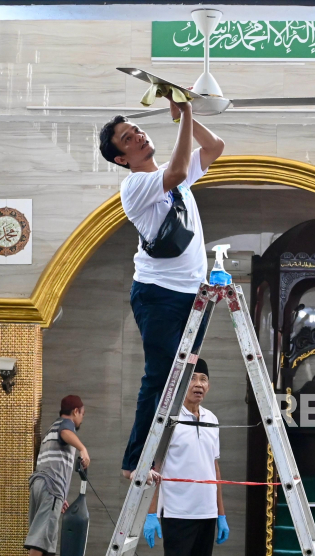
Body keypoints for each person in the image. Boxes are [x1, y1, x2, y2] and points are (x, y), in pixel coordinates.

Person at [98, 96, 225, 479]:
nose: (137, 136)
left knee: (181, 374)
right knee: (160, 375)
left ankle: (153, 456)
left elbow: (214, 148)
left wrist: (183, 119)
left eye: (135, 130)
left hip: (194, 296)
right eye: (126, 139)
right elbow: (177, 169)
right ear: (122, 158)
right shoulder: (136, 185)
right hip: (159, 295)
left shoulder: (177, 178)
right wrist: (185, 113)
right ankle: (134, 462)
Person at [142, 359, 229, 556]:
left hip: (208, 514)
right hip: (177, 514)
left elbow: (214, 468)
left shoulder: (212, 419)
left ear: (208, 386)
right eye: (192, 379)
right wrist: (151, 513)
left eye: (204, 379)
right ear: (182, 384)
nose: (199, 384)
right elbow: (155, 468)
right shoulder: (168, 420)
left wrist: (220, 514)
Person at [24, 395, 90, 556]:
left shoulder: (51, 429)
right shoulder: (65, 425)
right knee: (41, 541)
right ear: (75, 411)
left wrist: (59, 496)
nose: (82, 419)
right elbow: (66, 432)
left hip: (41, 485)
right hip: (50, 487)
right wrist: (82, 449)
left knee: (46, 539)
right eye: (82, 414)